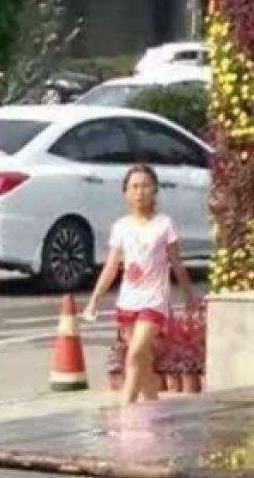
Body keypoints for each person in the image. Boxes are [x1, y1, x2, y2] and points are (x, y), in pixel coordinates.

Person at [83, 164, 195, 406]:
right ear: (126, 192)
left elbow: (176, 263)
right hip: (128, 301)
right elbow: (111, 267)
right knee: (142, 362)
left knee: (134, 355)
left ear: (154, 190)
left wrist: (188, 296)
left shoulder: (164, 224)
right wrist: (94, 301)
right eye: (134, 187)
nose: (140, 192)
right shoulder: (121, 226)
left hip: (154, 301)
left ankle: (126, 409)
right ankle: (154, 408)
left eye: (145, 186)